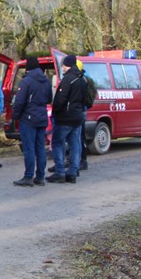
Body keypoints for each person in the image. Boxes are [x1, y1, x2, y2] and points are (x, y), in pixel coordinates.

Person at [11, 57, 53, 187]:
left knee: (29, 148)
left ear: (27, 68)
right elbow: (49, 98)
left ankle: (28, 176)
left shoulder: (26, 81)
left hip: (28, 118)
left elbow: (19, 101)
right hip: (41, 116)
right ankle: (40, 176)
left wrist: (15, 116)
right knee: (40, 148)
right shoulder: (46, 81)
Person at [47, 55, 86, 184]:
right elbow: (87, 99)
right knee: (75, 144)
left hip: (65, 117)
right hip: (78, 116)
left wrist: (56, 112)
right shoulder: (82, 78)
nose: (62, 68)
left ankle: (60, 172)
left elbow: (60, 99)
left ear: (67, 65)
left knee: (57, 143)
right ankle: (73, 172)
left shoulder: (68, 79)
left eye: (63, 65)